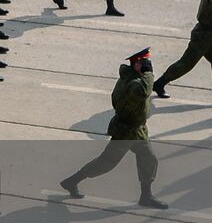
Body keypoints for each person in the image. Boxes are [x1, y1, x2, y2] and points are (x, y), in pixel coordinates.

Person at [61, 48, 166, 208]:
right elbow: (143, 91)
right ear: (136, 65)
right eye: (144, 63)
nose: (147, 66)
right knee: (106, 163)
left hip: (137, 130)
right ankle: (72, 181)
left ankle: (146, 196)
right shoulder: (132, 83)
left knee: (149, 159)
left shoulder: (135, 78)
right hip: (126, 131)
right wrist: (149, 74)